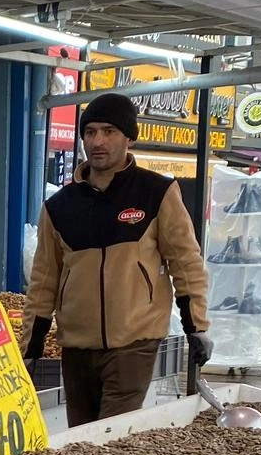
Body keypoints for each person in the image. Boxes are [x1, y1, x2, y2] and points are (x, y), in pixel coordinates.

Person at [22, 93, 211, 427]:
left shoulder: (157, 193)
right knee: (80, 438)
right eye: (90, 132)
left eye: (109, 131)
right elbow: (43, 281)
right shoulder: (59, 206)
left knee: (111, 433)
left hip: (133, 342)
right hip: (77, 347)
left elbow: (186, 263)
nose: (98, 141)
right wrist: (31, 346)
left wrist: (196, 327)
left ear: (129, 138)